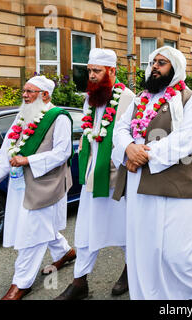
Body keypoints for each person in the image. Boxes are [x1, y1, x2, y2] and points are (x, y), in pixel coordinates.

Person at [111, 46, 192, 299]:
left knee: (175, 252)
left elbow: (186, 139)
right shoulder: (140, 98)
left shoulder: (190, 100)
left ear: (175, 68)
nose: (155, 67)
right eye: (153, 62)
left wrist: (143, 154)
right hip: (138, 186)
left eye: (162, 63)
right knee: (143, 248)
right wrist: (128, 148)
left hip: (173, 186)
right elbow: (120, 129)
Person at [0, 76, 75, 300]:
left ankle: (21, 283)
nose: (24, 95)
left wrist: (28, 161)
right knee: (39, 225)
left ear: (45, 95)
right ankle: (65, 252)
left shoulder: (59, 118)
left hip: (46, 185)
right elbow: (8, 146)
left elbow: (63, 152)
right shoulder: (22, 114)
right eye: (23, 91)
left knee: (32, 233)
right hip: (20, 184)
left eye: (30, 91)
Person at [55, 49, 135, 300]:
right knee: (87, 229)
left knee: (125, 230)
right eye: (89, 70)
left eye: (97, 71)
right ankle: (80, 282)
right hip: (93, 177)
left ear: (112, 71)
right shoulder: (90, 99)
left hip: (118, 177)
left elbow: (132, 138)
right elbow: (88, 135)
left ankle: (131, 271)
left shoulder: (128, 98)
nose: (91, 75)